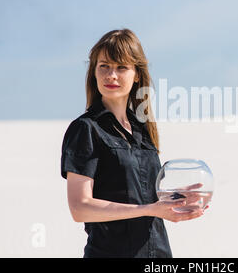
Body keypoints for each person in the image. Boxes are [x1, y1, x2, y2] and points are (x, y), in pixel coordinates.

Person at [60, 29, 207, 258]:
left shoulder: (143, 132)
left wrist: (175, 199)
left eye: (121, 67)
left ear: (137, 74)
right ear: (94, 72)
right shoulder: (86, 130)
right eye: (104, 66)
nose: (111, 75)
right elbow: (80, 208)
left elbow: (144, 198)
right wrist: (148, 209)